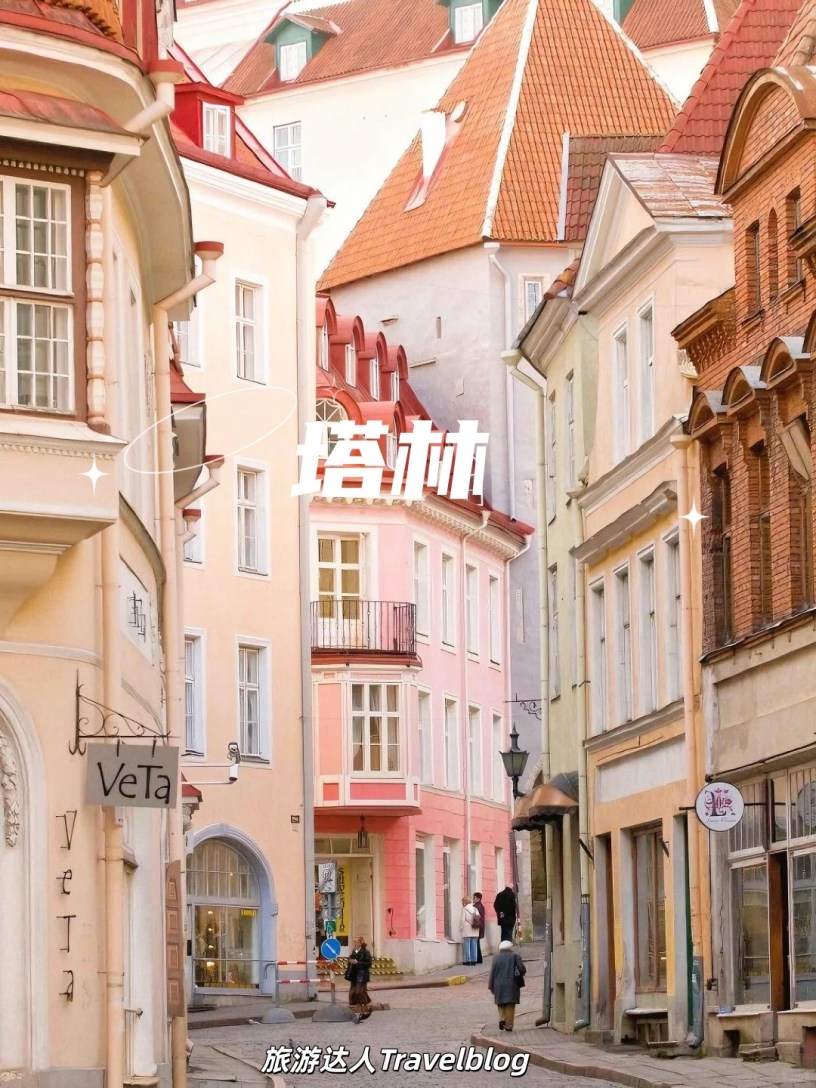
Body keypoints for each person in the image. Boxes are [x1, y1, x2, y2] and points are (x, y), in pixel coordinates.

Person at [488, 939, 526, 1032]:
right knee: (510, 1005)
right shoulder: (515, 956)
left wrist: (491, 985)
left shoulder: (496, 957)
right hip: (511, 984)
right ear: (510, 947)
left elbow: (492, 972)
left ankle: (502, 1018)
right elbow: (522, 969)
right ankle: (508, 1026)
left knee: (500, 1003)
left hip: (498, 985)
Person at [346, 935, 373, 1021]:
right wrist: (350, 962)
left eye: (356, 942)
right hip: (354, 975)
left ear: (360, 943)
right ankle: (362, 1010)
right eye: (353, 942)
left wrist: (357, 963)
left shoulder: (365, 952)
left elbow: (369, 964)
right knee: (354, 993)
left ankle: (365, 1008)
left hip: (362, 975)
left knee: (359, 992)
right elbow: (351, 964)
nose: (354, 944)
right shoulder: (354, 951)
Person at [460, 896, 480, 966]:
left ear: (465, 902)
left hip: (467, 929)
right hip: (475, 929)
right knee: (474, 945)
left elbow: (462, 920)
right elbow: (479, 918)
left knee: (467, 945)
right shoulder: (475, 909)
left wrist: (460, 928)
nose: (462, 903)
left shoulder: (464, 909)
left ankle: (468, 961)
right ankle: (474, 961)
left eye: (462, 902)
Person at [472, 892, 486, 964]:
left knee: (476, 943)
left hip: (477, 927)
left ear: (478, 898)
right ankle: (479, 959)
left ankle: (478, 959)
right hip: (480, 926)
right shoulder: (481, 906)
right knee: (477, 943)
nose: (473, 899)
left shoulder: (476, 907)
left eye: (474, 897)